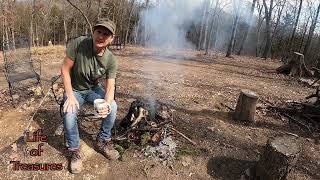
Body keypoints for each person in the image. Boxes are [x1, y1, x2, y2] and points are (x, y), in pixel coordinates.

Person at [61, 18, 119, 174]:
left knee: (112, 106)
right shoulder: (79, 44)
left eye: (106, 34)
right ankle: (75, 151)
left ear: (111, 39)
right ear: (93, 32)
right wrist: (70, 95)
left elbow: (110, 86)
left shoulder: (111, 60)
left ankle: (102, 141)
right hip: (75, 90)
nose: (101, 36)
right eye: (98, 32)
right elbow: (65, 69)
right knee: (69, 113)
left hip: (93, 90)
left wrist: (106, 104)